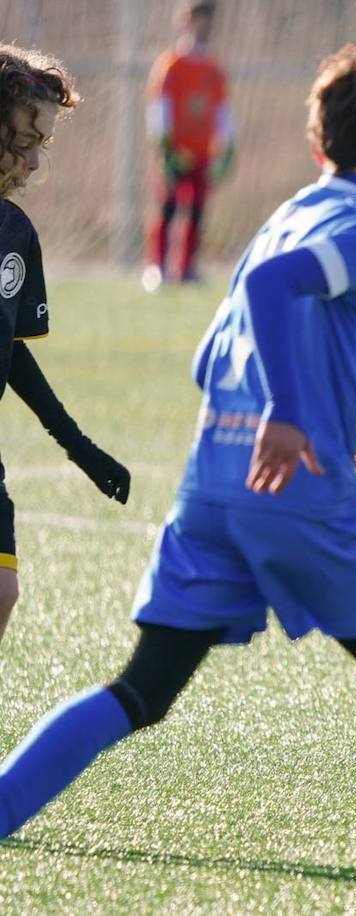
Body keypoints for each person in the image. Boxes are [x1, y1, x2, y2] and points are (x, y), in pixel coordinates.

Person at [0, 40, 356, 916]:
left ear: (316, 140)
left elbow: (211, 353)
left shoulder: (290, 209)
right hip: (292, 493)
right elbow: (273, 290)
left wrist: (320, 409)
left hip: (213, 483)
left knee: (141, 689)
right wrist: (294, 415)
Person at [0, 45, 130, 642]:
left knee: (3, 593)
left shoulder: (14, 232)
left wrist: (76, 445)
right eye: (22, 144)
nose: (31, 164)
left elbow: (8, 348)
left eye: (40, 148)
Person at [143, 0, 234, 292]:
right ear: (185, 21)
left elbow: (222, 110)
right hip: (176, 151)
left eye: (208, 20)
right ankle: (157, 268)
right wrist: (165, 146)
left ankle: (187, 269)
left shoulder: (214, 68)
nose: (203, 27)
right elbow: (161, 106)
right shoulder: (172, 64)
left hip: (202, 151)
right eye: (197, 20)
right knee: (168, 207)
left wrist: (228, 147)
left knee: (197, 210)